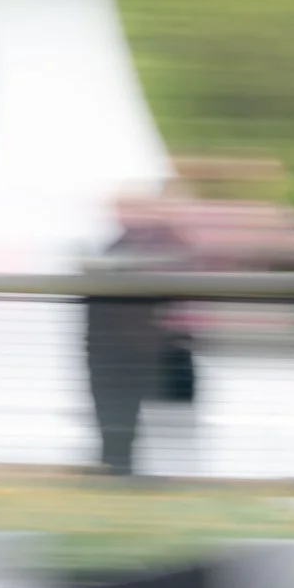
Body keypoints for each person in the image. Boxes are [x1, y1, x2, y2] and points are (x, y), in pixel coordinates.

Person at [83, 190, 192, 475]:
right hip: (119, 348)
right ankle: (117, 469)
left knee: (125, 415)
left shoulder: (159, 243)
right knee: (119, 417)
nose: (119, 215)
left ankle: (121, 470)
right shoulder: (124, 243)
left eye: (127, 208)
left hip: (135, 349)